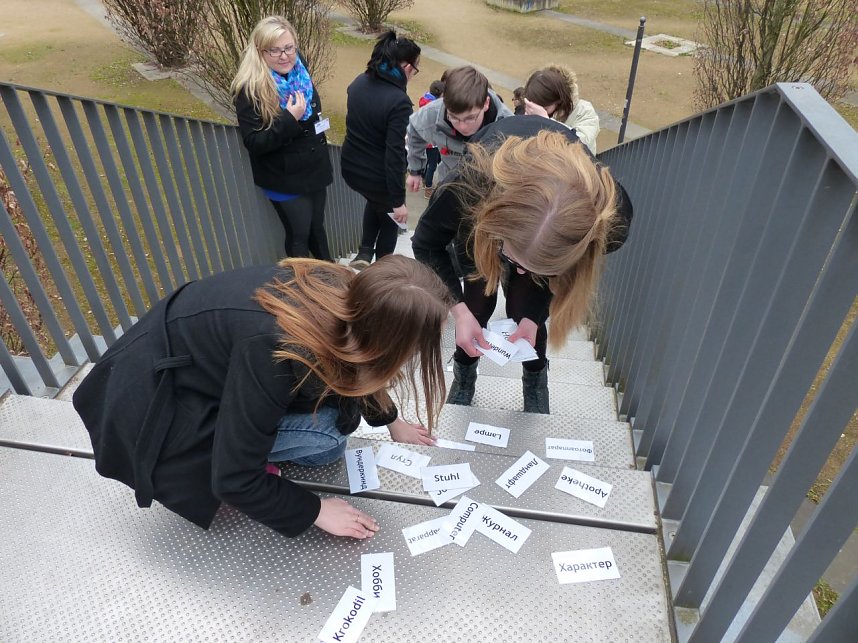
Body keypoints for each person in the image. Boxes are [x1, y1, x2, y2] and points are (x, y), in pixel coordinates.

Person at [72, 256, 453, 539]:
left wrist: (391, 421)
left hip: (188, 365)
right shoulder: (272, 350)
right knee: (330, 440)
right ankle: (232, 454)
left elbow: (361, 360)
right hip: (155, 411)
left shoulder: (343, 286)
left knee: (337, 414)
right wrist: (315, 510)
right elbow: (233, 479)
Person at [412, 117, 633, 414]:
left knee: (525, 312)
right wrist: (459, 311)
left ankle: (535, 381)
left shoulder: (610, 220)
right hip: (482, 212)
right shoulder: (467, 185)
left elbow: (568, 271)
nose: (515, 271)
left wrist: (533, 316)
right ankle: (464, 375)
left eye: (540, 268)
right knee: (476, 304)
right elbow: (426, 244)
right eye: (514, 260)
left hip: (537, 229)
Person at [232, 16, 333, 260]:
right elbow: (255, 143)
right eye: (274, 50)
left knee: (317, 227)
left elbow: (313, 109)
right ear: (260, 51)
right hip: (284, 175)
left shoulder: (299, 67)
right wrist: (290, 118)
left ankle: (331, 275)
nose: (284, 56)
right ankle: (302, 287)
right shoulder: (249, 89)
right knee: (299, 234)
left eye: (289, 48)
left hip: (314, 166)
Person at [341, 32, 421, 271]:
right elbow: (395, 154)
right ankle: (381, 268)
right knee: (390, 217)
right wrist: (398, 202)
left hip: (352, 168)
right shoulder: (398, 102)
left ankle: (364, 251)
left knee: (375, 202)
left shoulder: (358, 82)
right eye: (416, 68)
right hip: (378, 176)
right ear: (406, 67)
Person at [406, 66, 512, 193]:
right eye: (454, 117)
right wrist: (415, 170)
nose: (462, 127)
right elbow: (415, 130)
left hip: (487, 192)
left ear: (486, 103)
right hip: (450, 185)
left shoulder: (508, 125)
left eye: (470, 118)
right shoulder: (433, 113)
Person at [523, 65, 600, 155]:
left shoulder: (585, 112)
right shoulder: (533, 108)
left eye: (545, 108)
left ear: (559, 101)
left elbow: (580, 145)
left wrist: (546, 122)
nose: (538, 110)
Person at [418, 79, 445, 199]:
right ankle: (428, 187)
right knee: (433, 165)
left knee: (430, 162)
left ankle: (425, 180)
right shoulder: (434, 107)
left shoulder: (426, 101)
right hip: (432, 141)